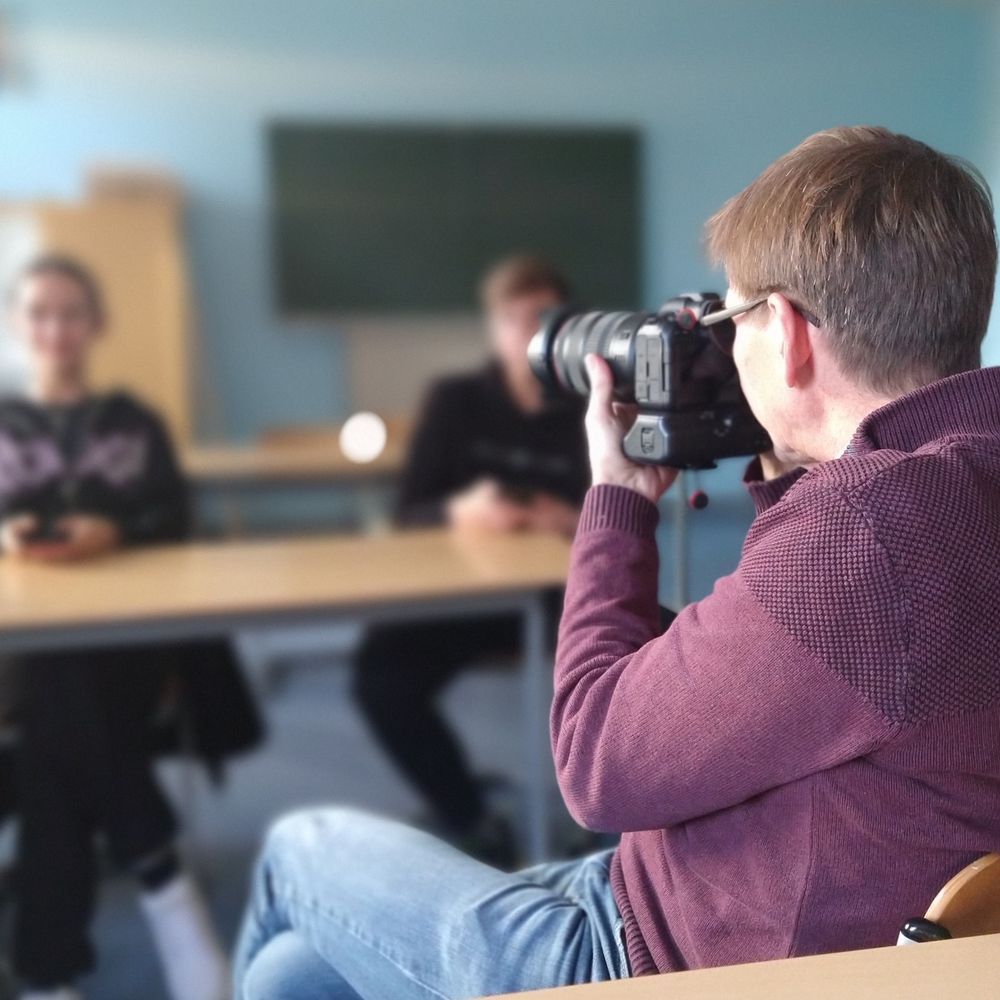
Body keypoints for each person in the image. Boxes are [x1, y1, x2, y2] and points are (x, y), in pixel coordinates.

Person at [233, 127, 1000, 998]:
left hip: (663, 957)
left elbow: (594, 764)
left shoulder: (864, 531)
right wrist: (799, 462)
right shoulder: (950, 485)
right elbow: (822, 668)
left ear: (784, 335)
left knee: (302, 851)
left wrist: (619, 496)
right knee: (297, 974)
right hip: (809, 908)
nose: (724, 346)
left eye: (731, 318)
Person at [0, 255, 262, 1000]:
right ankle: (172, 904)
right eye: (39, 312)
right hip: (20, 648)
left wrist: (110, 533)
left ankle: (49, 974)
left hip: (130, 645)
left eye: (70, 312)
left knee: (58, 728)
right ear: (18, 325)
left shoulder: (134, 423)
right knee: (68, 716)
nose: (55, 328)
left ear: (96, 325)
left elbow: (173, 521)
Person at [352, 255, 588, 864]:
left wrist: (560, 519)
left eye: (542, 317)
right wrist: (463, 513)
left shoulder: (593, 405)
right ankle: (469, 813)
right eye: (513, 319)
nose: (528, 332)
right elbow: (410, 511)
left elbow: (613, 514)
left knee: (631, 667)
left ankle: (612, 815)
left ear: (565, 324)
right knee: (380, 680)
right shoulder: (455, 400)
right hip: (457, 593)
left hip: (555, 593)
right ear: (493, 328)